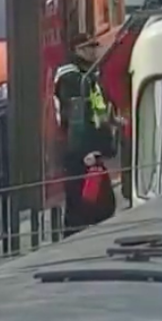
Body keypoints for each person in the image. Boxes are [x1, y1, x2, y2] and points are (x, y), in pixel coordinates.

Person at [54, 33, 117, 237]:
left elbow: (96, 111)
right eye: (90, 47)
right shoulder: (72, 79)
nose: (94, 51)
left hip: (87, 150)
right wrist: (87, 151)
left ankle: (81, 239)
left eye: (95, 46)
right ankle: (76, 243)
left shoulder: (86, 74)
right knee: (82, 204)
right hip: (79, 152)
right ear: (78, 50)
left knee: (91, 204)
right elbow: (77, 117)